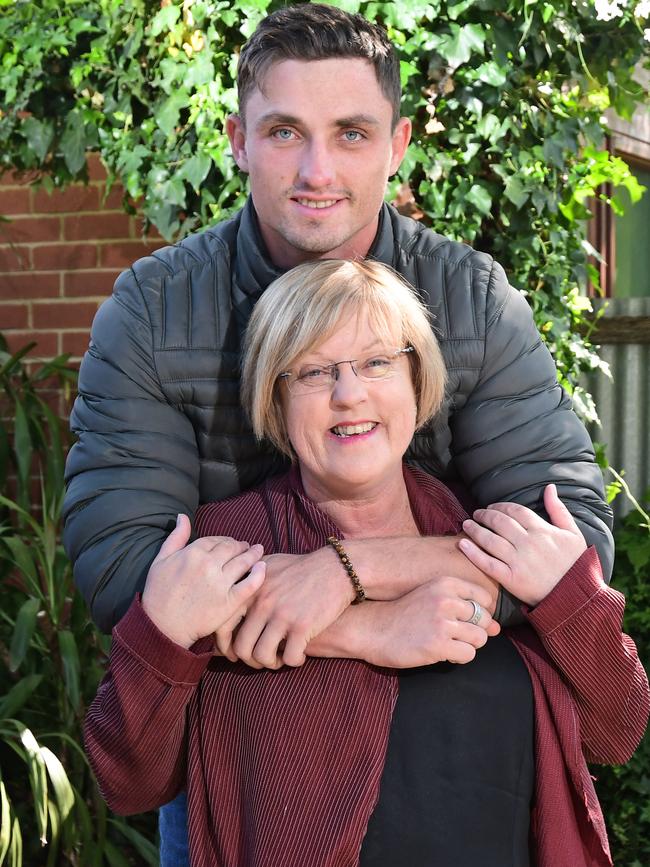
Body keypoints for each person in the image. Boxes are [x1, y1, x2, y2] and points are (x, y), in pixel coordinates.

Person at [64, 2, 615, 862]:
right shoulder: (155, 310)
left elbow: (568, 536)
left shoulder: (470, 299)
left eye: (351, 133)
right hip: (250, 776)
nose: (317, 169)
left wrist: (348, 571)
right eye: (285, 131)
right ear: (238, 139)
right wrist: (359, 627)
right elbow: (122, 561)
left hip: (464, 760)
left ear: (396, 147)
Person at [84, 259, 649, 867]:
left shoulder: (490, 538)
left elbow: (616, 730)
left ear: (416, 380)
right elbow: (128, 778)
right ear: (274, 401)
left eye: (377, 363)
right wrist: (165, 635)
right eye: (314, 371)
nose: (348, 394)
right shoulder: (226, 550)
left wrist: (571, 601)